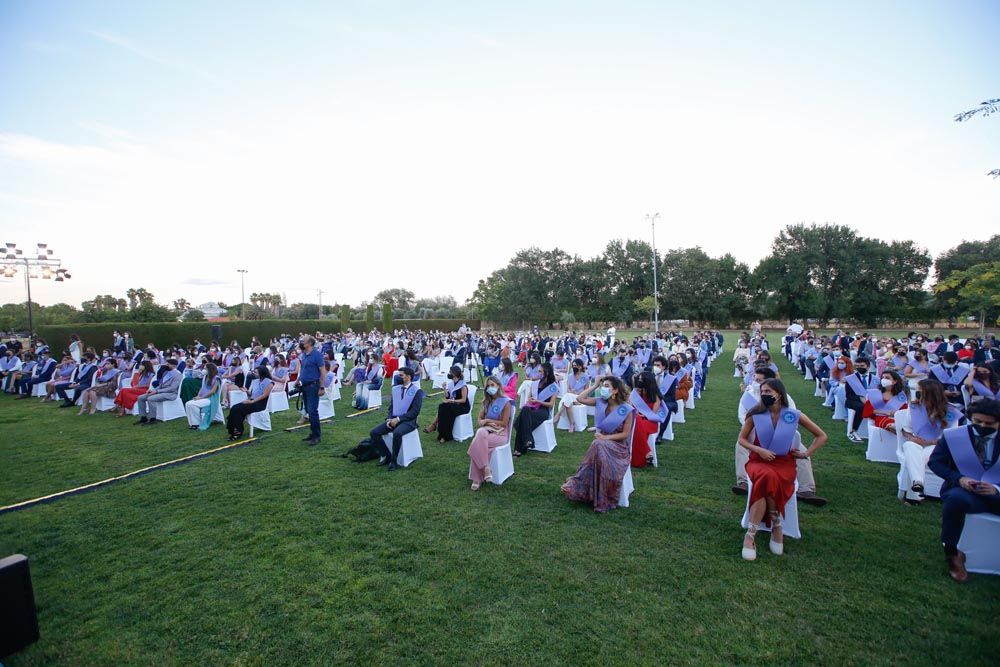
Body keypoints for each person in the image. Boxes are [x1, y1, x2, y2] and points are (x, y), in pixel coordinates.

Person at [738, 379, 827, 561]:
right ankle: (773, 525)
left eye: (768, 391)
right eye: (762, 391)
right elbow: (742, 440)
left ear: (779, 393)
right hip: (759, 461)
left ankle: (753, 533)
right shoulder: (755, 414)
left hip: (783, 463)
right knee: (765, 475)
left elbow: (821, 436)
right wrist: (759, 450)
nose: (764, 394)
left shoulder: (793, 415)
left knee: (769, 477)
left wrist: (805, 453)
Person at [928, 399, 1000, 583]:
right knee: (955, 501)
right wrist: (959, 479)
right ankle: (952, 553)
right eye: (977, 422)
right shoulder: (955, 436)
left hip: (996, 492)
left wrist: (996, 489)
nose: (983, 426)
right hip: (964, 491)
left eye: (989, 423)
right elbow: (935, 462)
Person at [561, 376, 634, 512]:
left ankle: (592, 489)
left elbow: (625, 435)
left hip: (619, 447)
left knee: (597, 444)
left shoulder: (626, 409)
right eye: (603, 386)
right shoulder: (601, 402)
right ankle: (587, 487)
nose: (603, 389)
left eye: (606, 386)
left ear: (615, 390)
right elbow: (579, 399)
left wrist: (605, 438)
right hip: (601, 443)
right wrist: (594, 385)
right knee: (598, 445)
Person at [899, 380, 961, 504]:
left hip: (938, 446)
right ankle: (918, 483)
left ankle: (915, 493)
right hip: (917, 443)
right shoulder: (914, 407)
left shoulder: (950, 411)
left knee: (920, 457)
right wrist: (911, 438)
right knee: (909, 445)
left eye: (921, 391)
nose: (917, 393)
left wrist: (930, 442)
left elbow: (951, 437)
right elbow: (906, 429)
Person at [370, 367, 425, 471]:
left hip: (409, 421)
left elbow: (414, 412)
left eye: (401, 375)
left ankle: (394, 461)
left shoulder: (417, 391)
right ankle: (386, 455)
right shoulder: (396, 389)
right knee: (374, 433)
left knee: (397, 433)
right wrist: (389, 418)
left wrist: (398, 419)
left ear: (408, 377)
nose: (397, 377)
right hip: (394, 419)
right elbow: (392, 406)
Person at [467, 375, 512, 490]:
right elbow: (479, 421)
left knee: (478, 443)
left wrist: (487, 420)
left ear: (498, 386)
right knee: (481, 434)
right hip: (486, 432)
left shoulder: (505, 402)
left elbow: (504, 423)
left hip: (500, 434)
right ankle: (486, 468)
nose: (490, 388)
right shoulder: (486, 402)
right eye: (488, 386)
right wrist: (483, 422)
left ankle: (476, 479)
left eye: (492, 385)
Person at [512, 362, 558, 456]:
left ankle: (519, 449)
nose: (538, 373)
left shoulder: (553, 387)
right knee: (525, 410)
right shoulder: (535, 383)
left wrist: (538, 401)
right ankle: (527, 442)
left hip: (543, 410)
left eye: (540, 371)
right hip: (532, 408)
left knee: (519, 422)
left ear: (547, 373)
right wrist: (530, 400)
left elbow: (551, 404)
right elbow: (529, 398)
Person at [423, 365, 471, 442]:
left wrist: (452, 401)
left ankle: (437, 429)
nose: (449, 373)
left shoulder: (463, 385)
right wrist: (444, 388)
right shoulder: (451, 383)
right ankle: (442, 434)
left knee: (445, 408)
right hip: (454, 405)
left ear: (454, 374)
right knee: (442, 407)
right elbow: (448, 396)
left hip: (463, 407)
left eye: (450, 372)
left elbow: (463, 400)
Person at [628, 371, 666, 467]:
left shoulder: (656, 396)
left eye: (641, 379)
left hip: (650, 422)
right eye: (639, 379)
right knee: (637, 421)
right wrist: (634, 393)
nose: (639, 381)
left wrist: (641, 415)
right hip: (637, 420)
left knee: (637, 422)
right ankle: (647, 452)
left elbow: (652, 414)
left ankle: (642, 455)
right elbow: (630, 407)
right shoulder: (637, 393)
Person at [226, 365, 274, 440]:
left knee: (239, 409)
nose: (254, 374)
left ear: (261, 373)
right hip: (252, 400)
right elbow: (253, 394)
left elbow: (265, 395)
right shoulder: (255, 381)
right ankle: (233, 429)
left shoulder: (269, 382)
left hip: (260, 403)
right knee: (234, 407)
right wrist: (247, 391)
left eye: (256, 372)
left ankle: (238, 431)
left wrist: (252, 401)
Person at [297, 336, 326, 446]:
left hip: (313, 386)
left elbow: (323, 372)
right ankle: (313, 433)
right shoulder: (304, 354)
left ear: (309, 343)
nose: (301, 343)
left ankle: (316, 436)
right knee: (309, 410)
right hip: (305, 386)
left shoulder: (317, 355)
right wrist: (298, 379)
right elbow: (303, 369)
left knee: (313, 411)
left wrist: (322, 387)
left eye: (303, 341)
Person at [135, 358, 182, 425]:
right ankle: (143, 418)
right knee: (140, 397)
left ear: (173, 365)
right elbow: (161, 384)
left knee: (150, 398)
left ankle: (152, 418)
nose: (166, 365)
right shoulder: (166, 372)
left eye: (168, 364)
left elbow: (172, 388)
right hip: (161, 391)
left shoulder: (178, 375)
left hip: (170, 394)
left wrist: (157, 391)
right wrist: (153, 390)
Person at [552, 359, 590, 433]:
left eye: (576, 366)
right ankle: (571, 424)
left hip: (580, 398)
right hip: (571, 396)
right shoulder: (570, 376)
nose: (574, 367)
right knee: (568, 399)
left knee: (567, 399)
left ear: (580, 367)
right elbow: (568, 389)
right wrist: (571, 392)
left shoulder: (585, 377)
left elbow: (586, 391)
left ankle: (558, 415)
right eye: (573, 366)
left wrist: (577, 393)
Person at [844, 357, 875, 443]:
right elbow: (849, 395)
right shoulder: (851, 378)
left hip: (870, 401)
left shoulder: (875, 379)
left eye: (862, 365)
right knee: (861, 407)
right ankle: (853, 430)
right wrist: (860, 398)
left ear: (868, 366)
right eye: (857, 366)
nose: (859, 367)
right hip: (853, 401)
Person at [185, 362, 221, 430]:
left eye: (205, 368)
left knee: (192, 404)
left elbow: (212, 391)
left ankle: (196, 424)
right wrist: (198, 396)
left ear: (209, 369)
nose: (203, 370)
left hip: (211, 399)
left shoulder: (216, 378)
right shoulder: (206, 377)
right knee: (188, 404)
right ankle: (193, 423)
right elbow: (202, 388)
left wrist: (201, 398)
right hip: (203, 397)